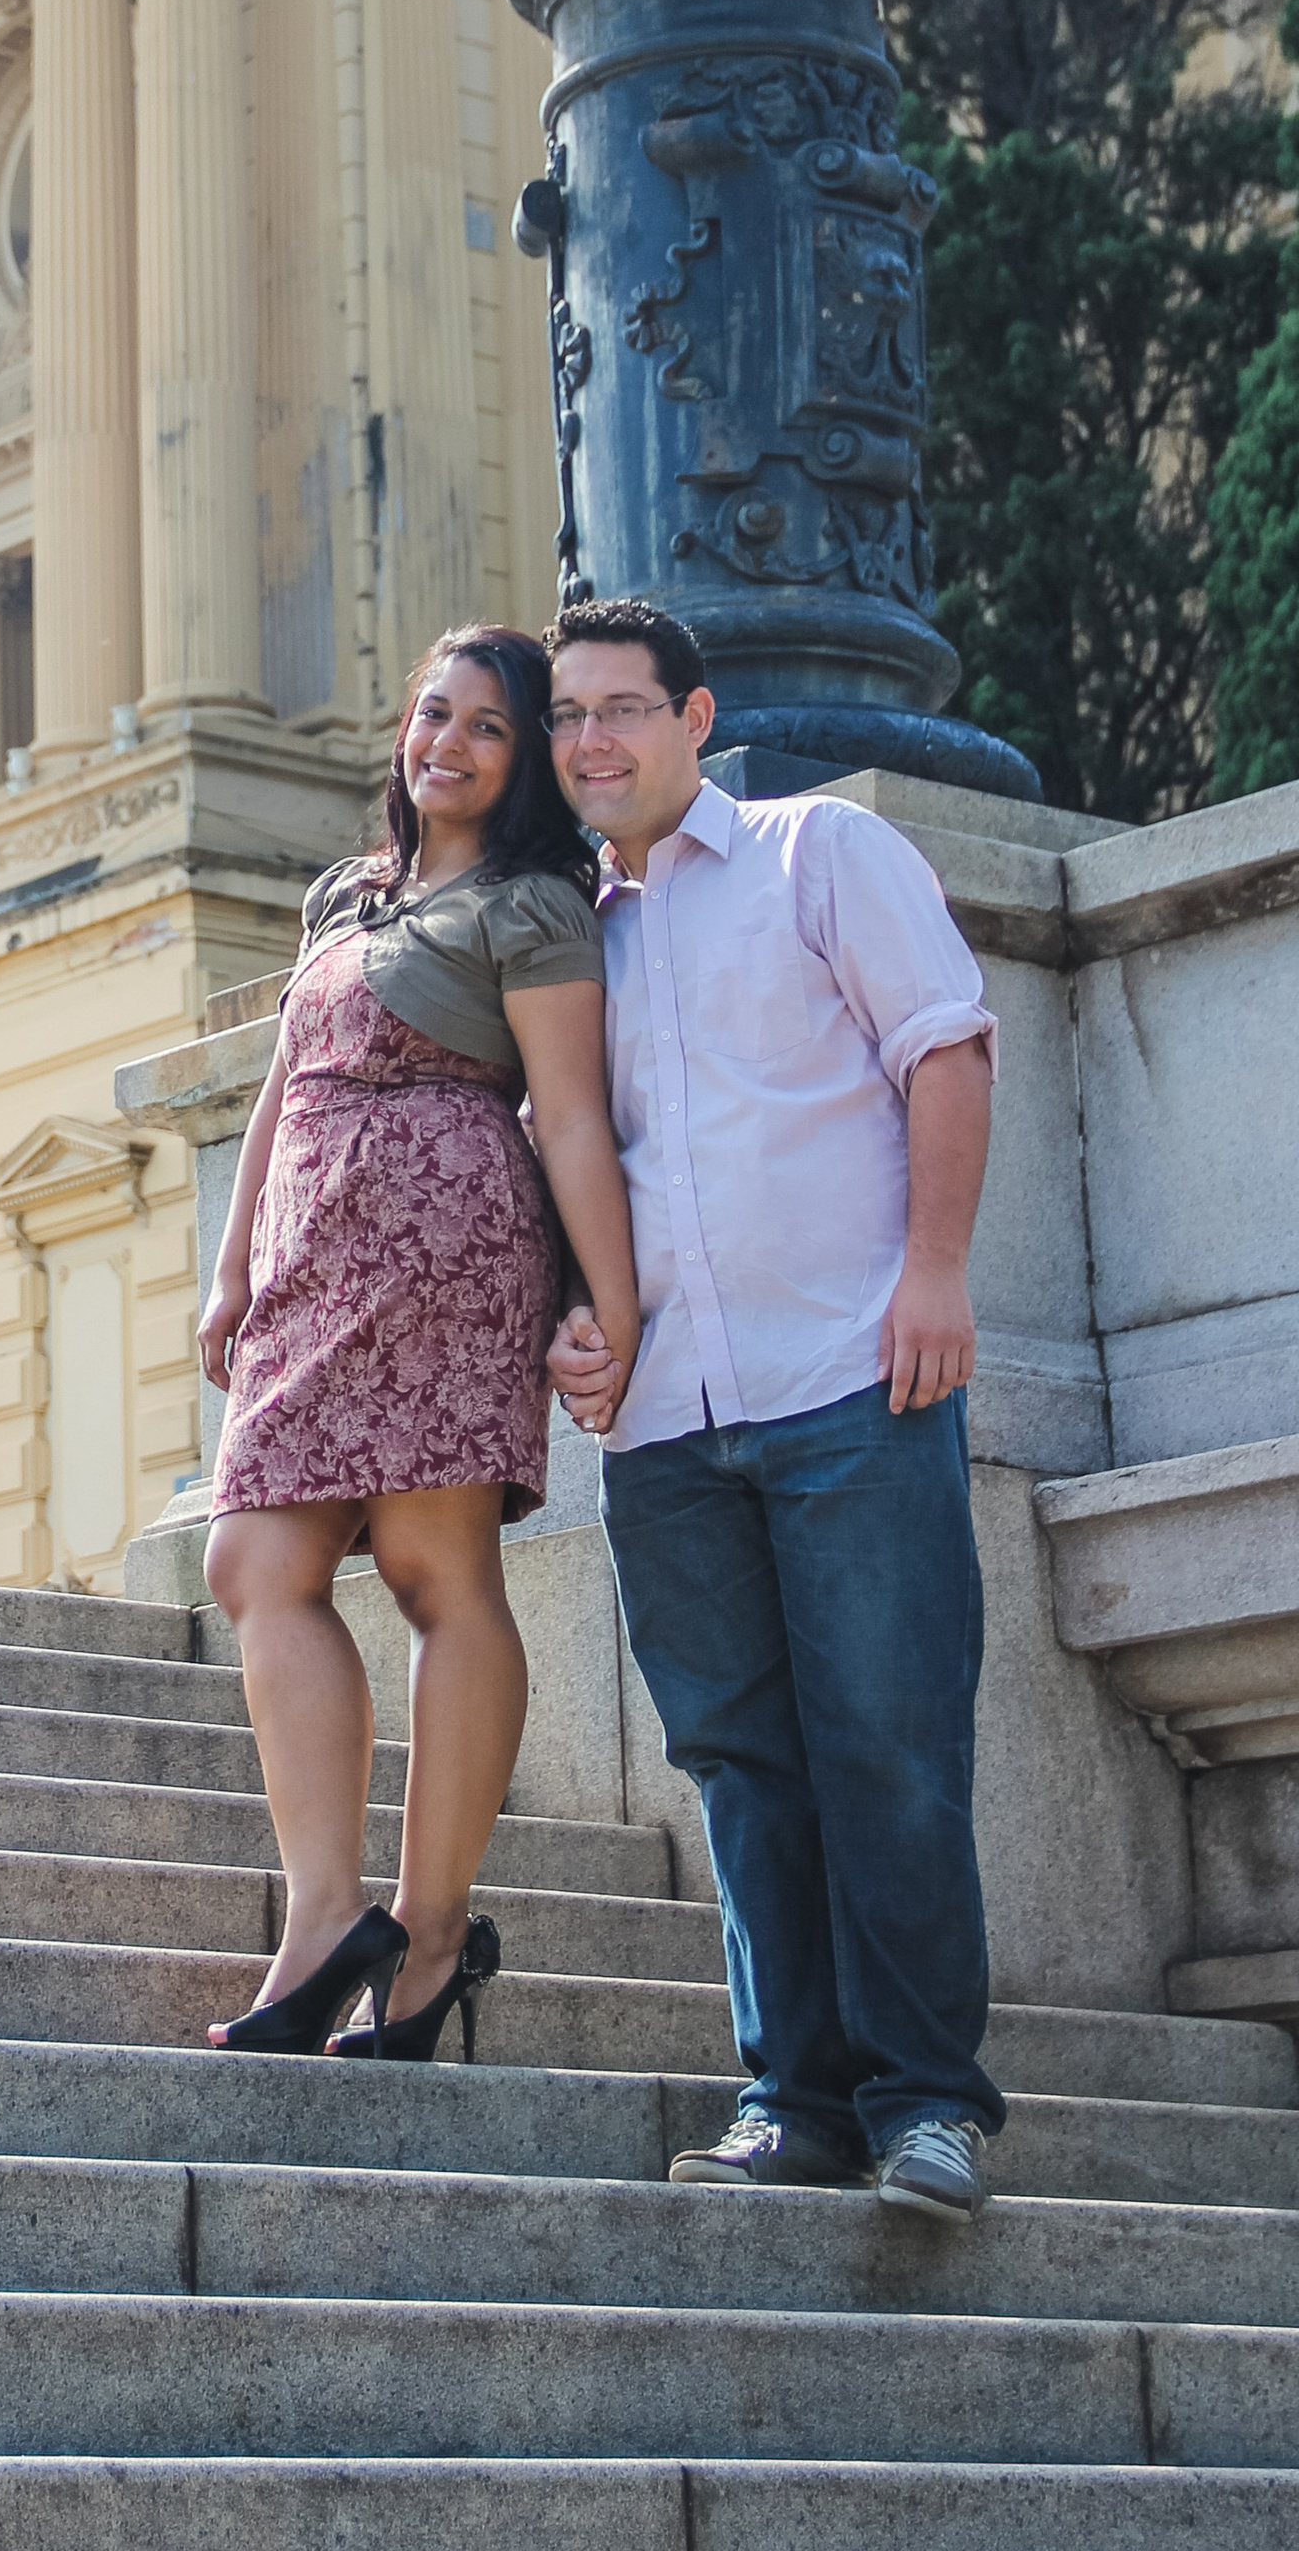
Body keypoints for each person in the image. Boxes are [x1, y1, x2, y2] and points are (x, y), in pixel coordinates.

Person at [540, 595, 1002, 2218]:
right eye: (566, 716)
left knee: (892, 1745)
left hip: (849, 1378)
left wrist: (935, 1271)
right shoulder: (567, 936)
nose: (590, 740)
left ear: (695, 718)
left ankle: (928, 2103)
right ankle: (794, 2101)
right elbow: (574, 1164)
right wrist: (571, 1320)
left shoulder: (821, 853)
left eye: (620, 707)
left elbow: (946, 1052)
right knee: (742, 1762)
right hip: (667, 1419)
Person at [196, 625, 641, 2063]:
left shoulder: (538, 906)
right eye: (433, 713)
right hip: (310, 1263)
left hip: (450, 1254)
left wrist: (611, 1301)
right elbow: (283, 1088)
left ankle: (433, 1934)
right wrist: (230, 1269)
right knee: (254, 1563)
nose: (447, 742)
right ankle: (329, 1918)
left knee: (434, 1572)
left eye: (488, 727)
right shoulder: (347, 894)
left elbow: (571, 1115)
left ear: (524, 764)